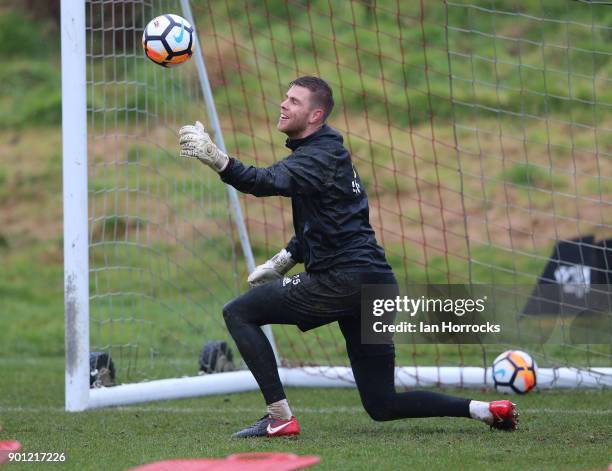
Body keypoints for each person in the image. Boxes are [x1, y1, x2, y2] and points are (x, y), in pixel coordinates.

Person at [178, 76, 518, 437]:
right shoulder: (329, 153)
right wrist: (282, 261)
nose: (283, 104)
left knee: (238, 312)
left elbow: (264, 182)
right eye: (285, 97)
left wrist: (217, 159)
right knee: (382, 404)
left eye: (294, 101)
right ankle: (484, 410)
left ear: (315, 115)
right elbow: (331, 222)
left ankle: (279, 417)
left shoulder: (318, 157)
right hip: (377, 283)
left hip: (344, 280)